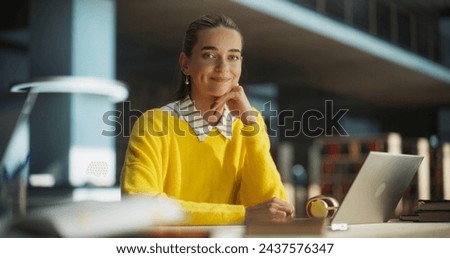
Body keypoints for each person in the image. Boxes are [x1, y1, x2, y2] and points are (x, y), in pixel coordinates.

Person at [121, 14, 295, 225]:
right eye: (210, 55)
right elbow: (140, 205)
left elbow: (273, 211)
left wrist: (252, 127)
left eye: (233, 57)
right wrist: (243, 215)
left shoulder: (248, 123)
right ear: (186, 64)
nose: (223, 67)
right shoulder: (155, 124)